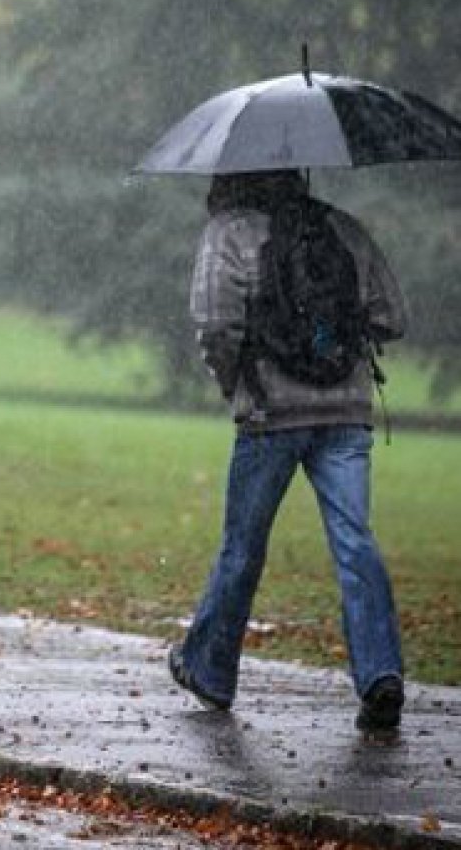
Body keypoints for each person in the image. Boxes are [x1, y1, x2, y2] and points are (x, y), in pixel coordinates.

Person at [169, 169, 408, 732]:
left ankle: (209, 670)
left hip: (268, 415)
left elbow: (214, 323)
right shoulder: (343, 229)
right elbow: (393, 318)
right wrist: (334, 340)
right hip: (345, 414)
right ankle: (380, 675)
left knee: (243, 547)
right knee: (354, 540)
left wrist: (239, 380)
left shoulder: (229, 234)